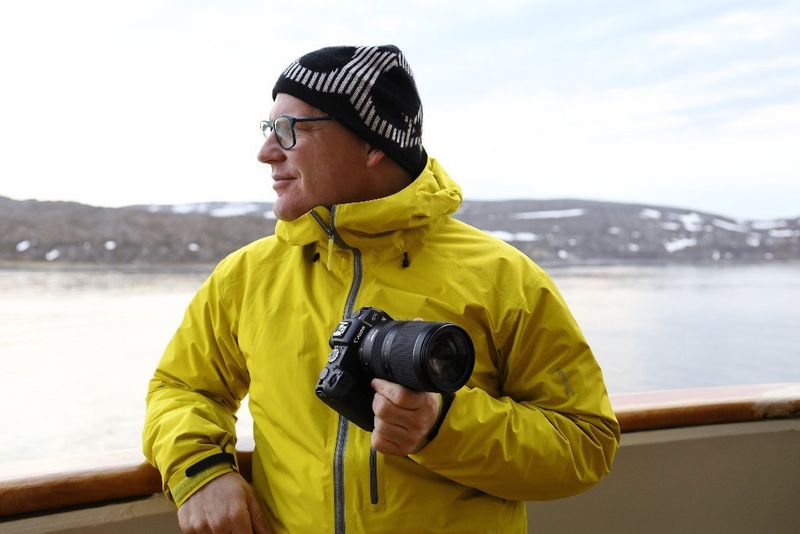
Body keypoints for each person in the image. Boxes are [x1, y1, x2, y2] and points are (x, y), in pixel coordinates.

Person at [143, 44, 620, 534]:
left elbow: (585, 444)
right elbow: (181, 388)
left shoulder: (502, 277)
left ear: (372, 144)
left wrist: (442, 426)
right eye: (268, 130)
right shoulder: (246, 276)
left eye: (288, 131)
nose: (266, 152)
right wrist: (200, 471)